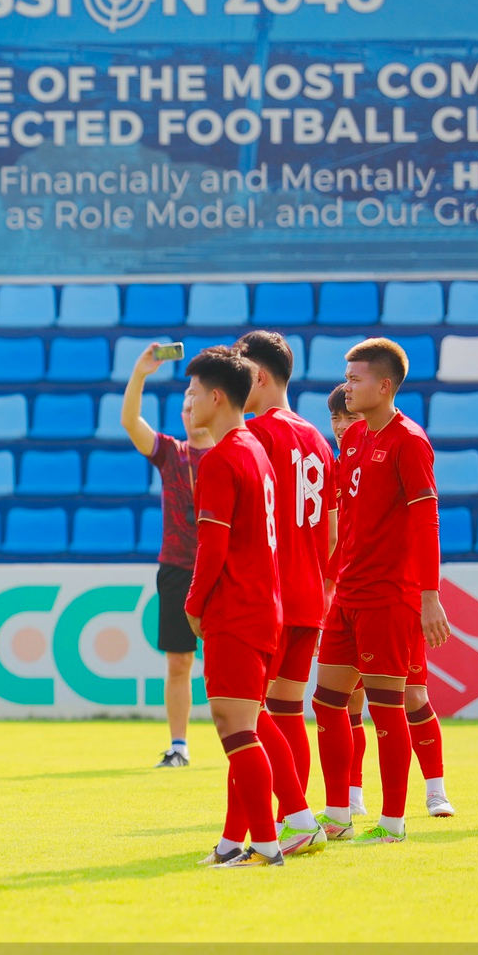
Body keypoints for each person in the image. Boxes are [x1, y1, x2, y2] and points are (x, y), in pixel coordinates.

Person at [310, 339, 450, 845]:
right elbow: (347, 521)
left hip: (389, 596)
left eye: (355, 379)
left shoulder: (410, 441)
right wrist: (330, 580)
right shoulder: (352, 441)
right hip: (347, 594)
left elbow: (426, 521)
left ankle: (393, 822)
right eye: (346, 378)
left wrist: (429, 595)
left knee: (389, 706)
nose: (347, 388)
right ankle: (340, 813)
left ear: (384, 385)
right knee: (327, 703)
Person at [179, 348, 286, 867]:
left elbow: (212, 546)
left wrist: (194, 602)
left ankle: (266, 846)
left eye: (192, 392)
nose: (187, 401)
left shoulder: (221, 459)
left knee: (234, 725)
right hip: (262, 603)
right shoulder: (255, 451)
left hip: (237, 607)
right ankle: (231, 843)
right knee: (244, 720)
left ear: (216, 396)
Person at [234, 332, 331, 854]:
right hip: (308, 594)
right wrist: (324, 581)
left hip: (267, 596)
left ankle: (267, 826)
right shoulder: (318, 438)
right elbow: (332, 528)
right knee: (288, 711)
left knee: (245, 718)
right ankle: (292, 819)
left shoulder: (257, 434)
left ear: (260, 376)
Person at [120, 342, 213, 767]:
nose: (188, 407)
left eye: (195, 398)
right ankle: (179, 746)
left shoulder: (236, 452)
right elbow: (130, 422)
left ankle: (249, 739)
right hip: (177, 568)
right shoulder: (172, 454)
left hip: (225, 568)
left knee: (237, 663)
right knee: (179, 662)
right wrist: (140, 374)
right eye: (184, 401)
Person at [324, 385, 370, 816]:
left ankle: (353, 796)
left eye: (348, 417)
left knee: (361, 701)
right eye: (335, 418)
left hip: (361, 594)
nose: (340, 426)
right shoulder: (328, 467)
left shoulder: (371, 466)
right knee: (338, 703)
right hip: (330, 595)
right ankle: (347, 797)